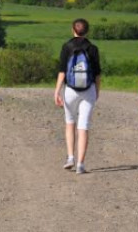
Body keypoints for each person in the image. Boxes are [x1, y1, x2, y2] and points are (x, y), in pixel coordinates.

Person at [54, 18, 101, 175]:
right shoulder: (93, 49)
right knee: (84, 126)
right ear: (87, 31)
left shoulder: (67, 47)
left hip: (70, 90)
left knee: (70, 123)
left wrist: (57, 91)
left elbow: (62, 71)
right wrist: (97, 92)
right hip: (88, 90)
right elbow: (97, 75)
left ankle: (70, 158)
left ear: (72, 30)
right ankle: (81, 164)